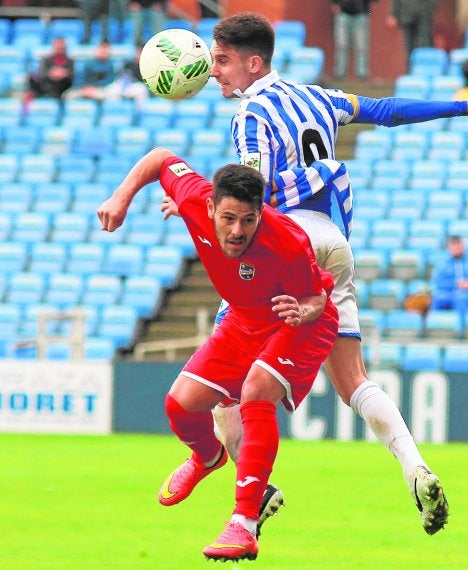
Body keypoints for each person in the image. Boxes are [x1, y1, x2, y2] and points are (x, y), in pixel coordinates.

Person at [161, 11, 468, 538]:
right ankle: (414, 466)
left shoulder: (251, 115)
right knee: (353, 380)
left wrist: (207, 208)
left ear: (254, 63)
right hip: (335, 244)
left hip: (286, 250)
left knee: (225, 373)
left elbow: (253, 195)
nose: (214, 71)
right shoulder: (320, 97)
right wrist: (463, 106)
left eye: (223, 61)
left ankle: (247, 498)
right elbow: (386, 110)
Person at [97, 148, 339, 562]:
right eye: (227, 218)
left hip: (295, 321)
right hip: (244, 320)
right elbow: (159, 159)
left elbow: (317, 297)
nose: (237, 231)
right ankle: (208, 457)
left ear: (261, 214)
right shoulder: (194, 197)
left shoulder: (288, 239)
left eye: (248, 219)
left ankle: (244, 523)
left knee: (255, 392)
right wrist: (122, 197)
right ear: (209, 206)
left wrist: (303, 310)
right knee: (181, 405)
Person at [331, 0, 378, 82]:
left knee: (361, 47)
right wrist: (335, 3)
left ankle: (362, 75)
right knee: (342, 46)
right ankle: (339, 74)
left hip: (361, 14)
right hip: (343, 13)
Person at [25, 37, 74, 103]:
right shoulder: (46, 59)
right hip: (47, 84)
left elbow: (70, 75)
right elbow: (42, 73)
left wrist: (61, 74)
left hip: (62, 86)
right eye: (58, 46)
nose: (60, 48)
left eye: (61, 47)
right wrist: (52, 74)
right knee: (33, 77)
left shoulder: (70, 60)